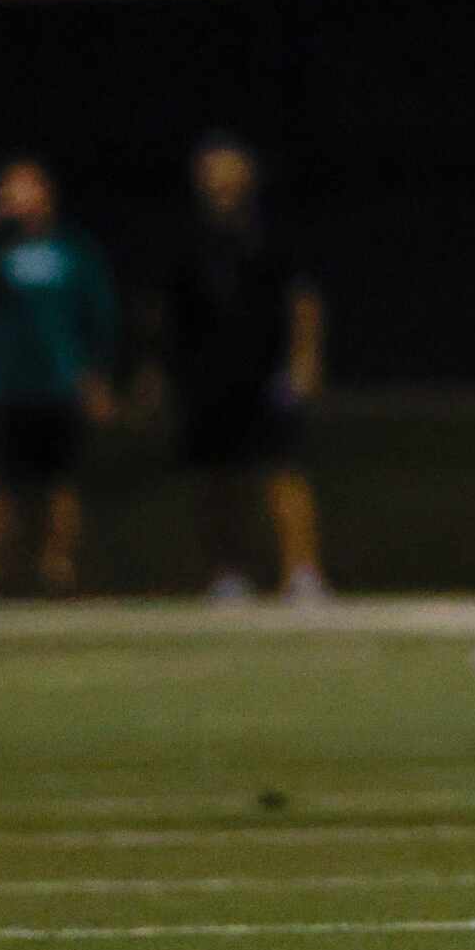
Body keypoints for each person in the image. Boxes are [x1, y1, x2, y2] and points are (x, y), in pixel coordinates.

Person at [138, 135, 330, 604]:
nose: (220, 183)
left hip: (267, 373)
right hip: (204, 375)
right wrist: (155, 370)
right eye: (210, 174)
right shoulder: (184, 240)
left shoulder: (273, 233)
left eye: (229, 172)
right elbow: (162, 310)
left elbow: (303, 301)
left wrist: (305, 361)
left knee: (283, 469)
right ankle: (227, 574)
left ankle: (302, 574)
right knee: (215, 479)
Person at [0, 157, 117, 598]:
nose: (21, 198)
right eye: (11, 190)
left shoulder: (73, 250)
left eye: (29, 187)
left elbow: (99, 316)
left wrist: (96, 375)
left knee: (58, 484)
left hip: (58, 386)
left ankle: (56, 573)